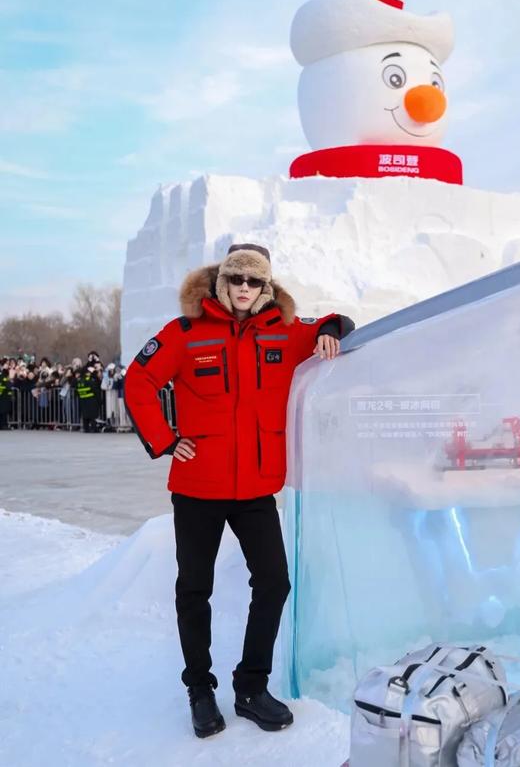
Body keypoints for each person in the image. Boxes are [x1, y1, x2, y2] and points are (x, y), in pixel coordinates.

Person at [124, 244, 355, 739]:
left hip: (254, 489)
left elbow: (330, 322)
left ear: (266, 288)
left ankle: (251, 687)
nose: (244, 289)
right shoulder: (184, 334)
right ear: (220, 284)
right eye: (236, 280)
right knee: (195, 589)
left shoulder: (282, 332)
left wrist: (333, 328)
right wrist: (165, 440)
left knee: (274, 581)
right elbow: (139, 380)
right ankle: (200, 691)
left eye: (254, 282)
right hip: (197, 487)